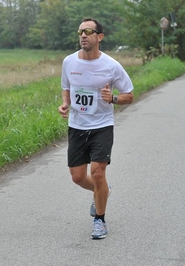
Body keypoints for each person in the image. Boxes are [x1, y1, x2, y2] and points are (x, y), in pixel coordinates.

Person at [58, 18, 134, 239]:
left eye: (88, 31)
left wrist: (114, 98)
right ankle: (101, 193)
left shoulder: (111, 65)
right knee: (78, 177)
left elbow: (129, 95)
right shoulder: (69, 62)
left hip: (102, 126)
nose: (83, 35)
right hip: (77, 126)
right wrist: (65, 104)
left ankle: (99, 220)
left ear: (99, 37)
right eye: (80, 31)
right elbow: (66, 87)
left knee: (98, 173)